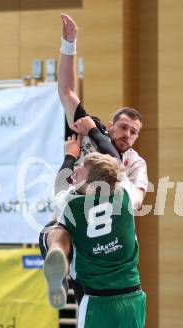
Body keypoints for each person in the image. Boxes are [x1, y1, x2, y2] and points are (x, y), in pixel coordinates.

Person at [40, 13, 148, 309]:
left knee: (59, 227)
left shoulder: (134, 162)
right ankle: (59, 272)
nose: (128, 135)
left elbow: (135, 201)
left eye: (134, 132)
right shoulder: (91, 131)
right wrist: (69, 43)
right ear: (111, 126)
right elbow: (66, 91)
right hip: (77, 220)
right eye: (124, 127)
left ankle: (63, 268)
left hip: (110, 228)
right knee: (56, 231)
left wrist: (73, 155)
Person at [54, 151, 146, 328]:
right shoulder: (124, 192)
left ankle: (56, 255)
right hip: (134, 298)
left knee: (57, 232)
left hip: (98, 303)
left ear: (94, 185)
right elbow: (123, 179)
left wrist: (68, 156)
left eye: (82, 167)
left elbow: (58, 188)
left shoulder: (70, 203)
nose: (76, 168)